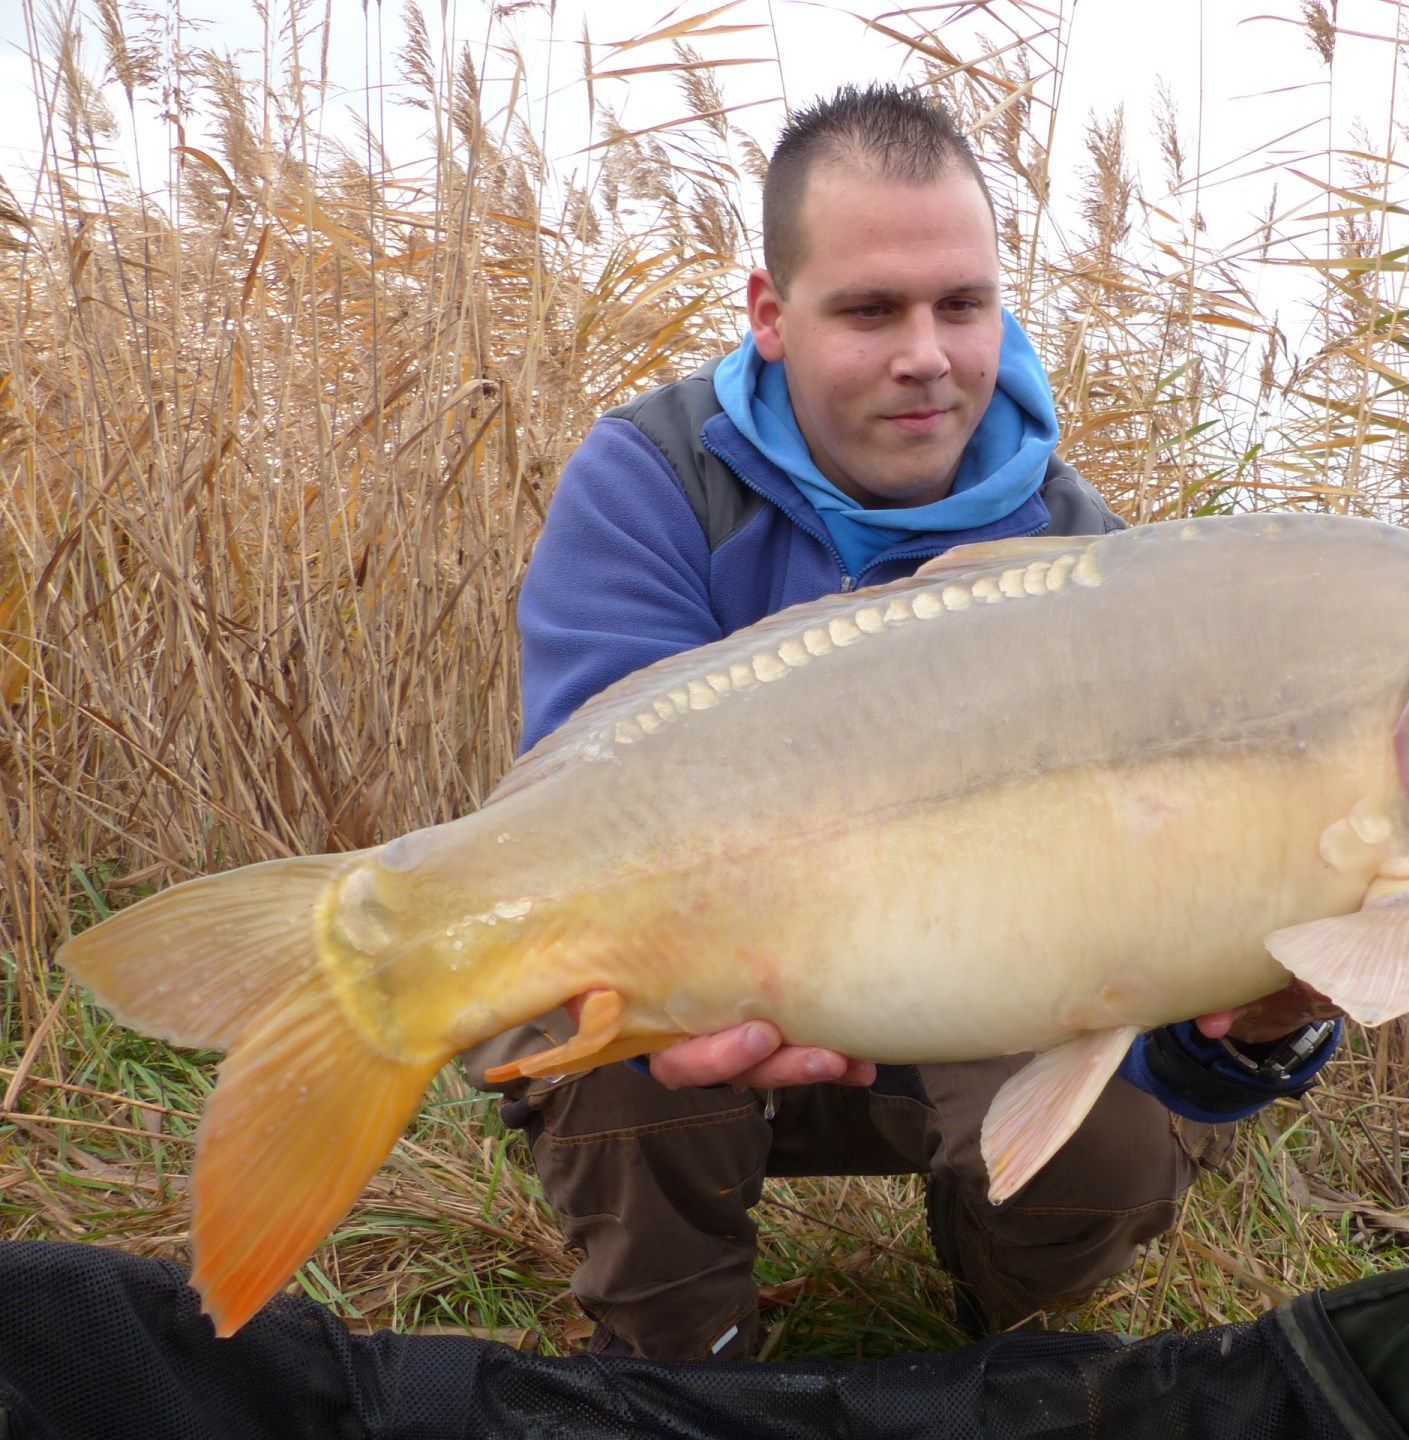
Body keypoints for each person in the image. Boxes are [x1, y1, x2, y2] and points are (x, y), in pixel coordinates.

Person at [466, 83, 1345, 1363]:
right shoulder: (655, 480)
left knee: (1114, 1141)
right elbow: (590, 817)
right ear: (771, 316)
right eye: (870, 310)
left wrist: (1269, 1026)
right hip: (719, 977)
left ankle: (1000, 1338)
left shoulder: (1087, 564)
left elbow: (1167, 1021)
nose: (926, 354)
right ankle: (683, 1363)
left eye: (963, 304)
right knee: (592, 1006)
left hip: (971, 1012)